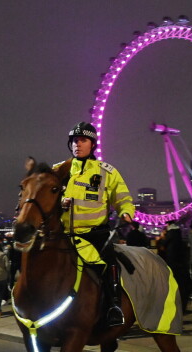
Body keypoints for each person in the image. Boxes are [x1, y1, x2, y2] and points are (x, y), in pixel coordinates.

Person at [54, 122, 135, 326]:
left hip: (95, 234)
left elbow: (123, 197)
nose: (77, 144)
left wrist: (126, 212)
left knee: (110, 265)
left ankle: (113, 306)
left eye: (82, 140)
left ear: (93, 144)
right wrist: (58, 202)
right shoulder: (58, 170)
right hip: (63, 234)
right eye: (74, 141)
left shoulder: (107, 171)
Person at [163, 221, 191, 310]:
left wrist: (162, 237)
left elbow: (164, 244)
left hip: (171, 259)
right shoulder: (178, 233)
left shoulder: (170, 233)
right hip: (179, 261)